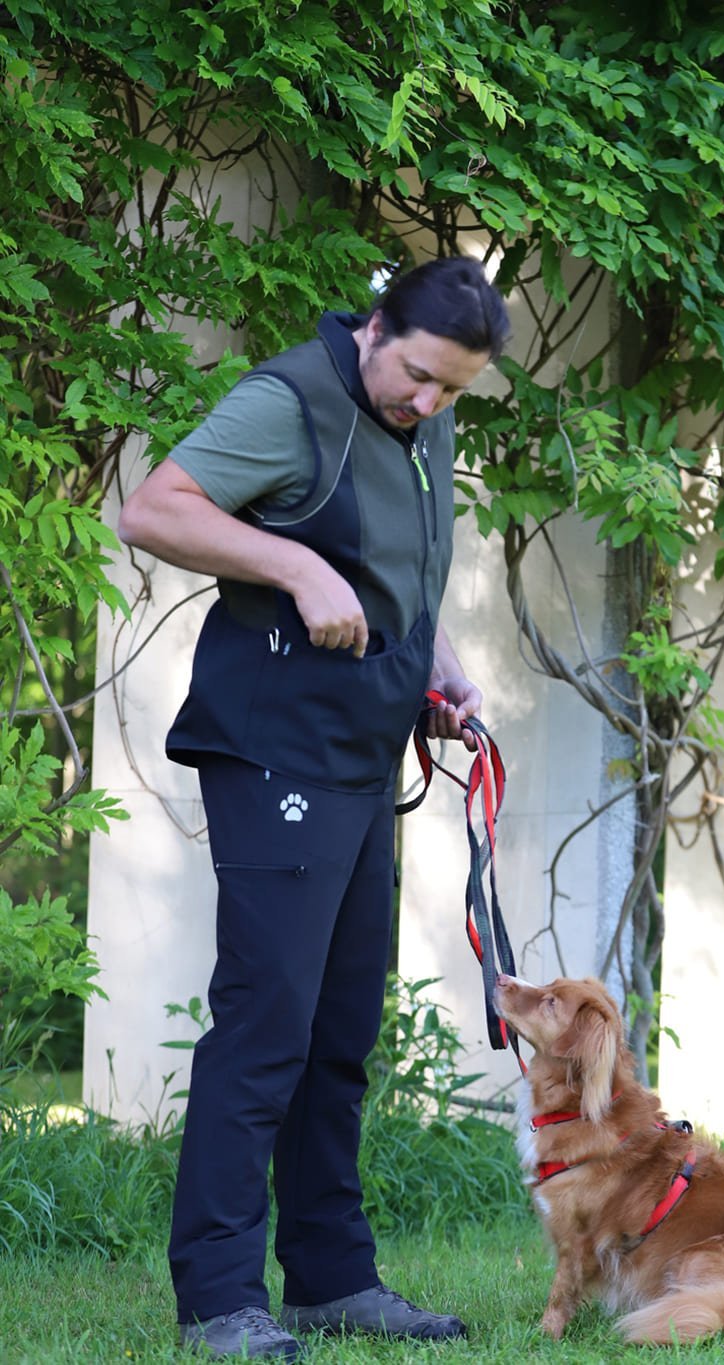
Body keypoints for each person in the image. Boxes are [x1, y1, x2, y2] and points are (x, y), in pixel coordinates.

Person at [118, 257, 511, 1361]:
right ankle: (218, 1299)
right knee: (267, 1026)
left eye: (451, 392)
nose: (429, 404)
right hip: (273, 746)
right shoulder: (290, 402)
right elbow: (153, 510)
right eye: (420, 377)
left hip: (359, 750)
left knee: (340, 1032)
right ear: (376, 328)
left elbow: (394, 574)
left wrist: (436, 670)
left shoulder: (418, 421)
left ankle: (333, 1282)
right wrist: (290, 564)